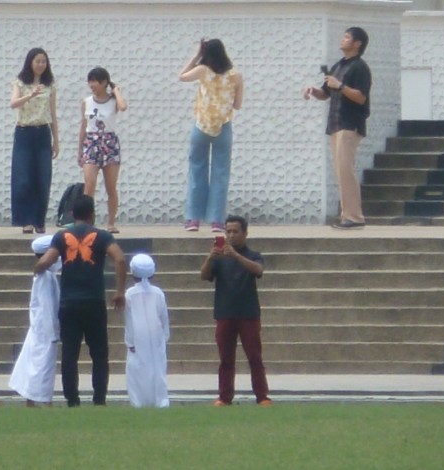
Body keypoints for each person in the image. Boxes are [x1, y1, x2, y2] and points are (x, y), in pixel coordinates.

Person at [34, 195, 127, 407]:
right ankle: (99, 399)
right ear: (92, 214)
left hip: (69, 303)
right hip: (94, 301)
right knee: (99, 353)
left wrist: (37, 268)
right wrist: (119, 291)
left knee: (69, 354)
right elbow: (120, 259)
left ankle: (72, 400)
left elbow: (47, 261)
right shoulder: (102, 236)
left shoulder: (62, 236)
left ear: (72, 215)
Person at [304, 27, 372, 230]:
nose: (342, 40)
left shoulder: (360, 67)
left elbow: (361, 97)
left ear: (357, 43)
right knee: (340, 172)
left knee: (346, 171)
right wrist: (313, 91)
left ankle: (354, 216)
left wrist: (340, 86)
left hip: (349, 124)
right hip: (335, 124)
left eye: (347, 37)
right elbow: (326, 93)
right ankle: (347, 215)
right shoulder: (338, 66)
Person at [200, 215, 271, 406]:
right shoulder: (219, 258)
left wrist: (236, 256)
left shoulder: (253, 255)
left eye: (235, 231)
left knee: (254, 357)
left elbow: (258, 270)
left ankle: (262, 395)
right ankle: (224, 396)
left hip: (248, 313)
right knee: (226, 359)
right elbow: (204, 275)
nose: (231, 235)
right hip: (225, 313)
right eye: (228, 231)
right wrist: (210, 257)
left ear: (245, 234)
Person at [179, 39, 243, 233]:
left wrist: (197, 55)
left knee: (197, 169)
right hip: (223, 127)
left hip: (201, 126)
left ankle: (193, 219)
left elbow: (181, 76)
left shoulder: (203, 70)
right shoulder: (236, 76)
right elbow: (237, 105)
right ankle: (217, 220)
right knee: (221, 172)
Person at [10, 47, 60, 234]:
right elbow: (13, 103)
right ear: (30, 62)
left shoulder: (50, 84)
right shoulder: (20, 82)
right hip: (24, 132)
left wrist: (56, 140)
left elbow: (53, 113)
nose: (40, 65)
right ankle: (26, 220)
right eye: (37, 61)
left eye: (44, 61)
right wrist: (30, 95)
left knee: (42, 177)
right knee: (23, 177)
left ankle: (39, 220)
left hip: (43, 132)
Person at [9, 235, 61, 407]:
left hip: (40, 328)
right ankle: (45, 402)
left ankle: (32, 401)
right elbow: (46, 307)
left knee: (34, 364)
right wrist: (53, 333)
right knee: (43, 367)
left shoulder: (46, 275)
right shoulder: (46, 277)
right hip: (45, 330)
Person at [77, 67, 128, 234]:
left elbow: (123, 106)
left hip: (109, 142)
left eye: (95, 81)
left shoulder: (113, 101)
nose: (92, 85)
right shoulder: (86, 101)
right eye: (90, 81)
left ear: (104, 82)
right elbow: (83, 127)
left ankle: (111, 223)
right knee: (89, 183)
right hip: (91, 142)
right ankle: (86, 221)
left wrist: (116, 91)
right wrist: (80, 150)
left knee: (110, 186)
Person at [124, 253, 170, 408]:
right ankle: (160, 401)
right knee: (157, 369)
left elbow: (129, 320)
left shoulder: (130, 294)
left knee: (137, 371)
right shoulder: (158, 293)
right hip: (156, 338)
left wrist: (129, 341)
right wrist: (165, 337)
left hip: (137, 338)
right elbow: (164, 317)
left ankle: (138, 402)